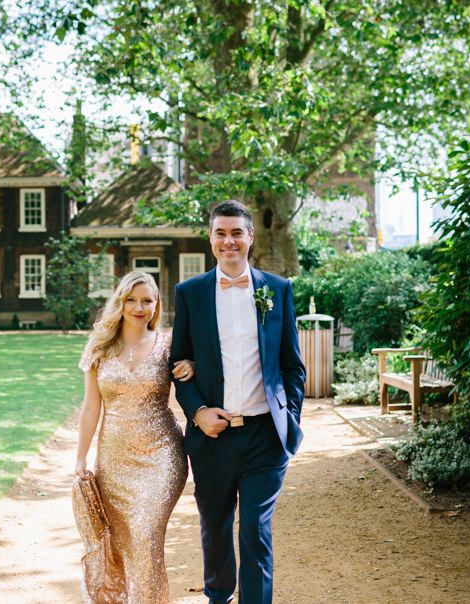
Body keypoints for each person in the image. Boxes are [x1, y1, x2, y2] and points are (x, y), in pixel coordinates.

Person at [170, 200, 306, 604]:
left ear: (250, 237)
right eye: (220, 233)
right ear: (210, 238)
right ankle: (219, 597)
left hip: (265, 435)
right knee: (215, 527)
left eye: (236, 233)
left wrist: (288, 414)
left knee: (254, 530)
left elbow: (292, 365)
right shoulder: (190, 293)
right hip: (213, 436)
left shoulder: (277, 290)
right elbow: (178, 364)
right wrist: (197, 412)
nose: (228, 241)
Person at [75, 271, 194, 603]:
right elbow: (90, 408)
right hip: (113, 460)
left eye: (147, 300)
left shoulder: (169, 344)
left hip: (161, 457)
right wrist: (81, 459)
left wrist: (190, 367)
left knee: (146, 535)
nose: (139, 307)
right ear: (121, 301)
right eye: (132, 299)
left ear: (157, 306)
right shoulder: (99, 347)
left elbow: (198, 375)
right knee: (125, 542)